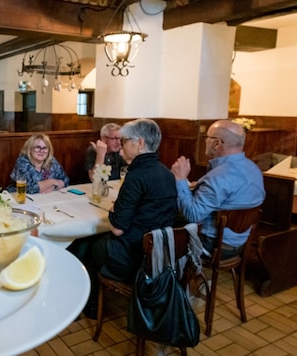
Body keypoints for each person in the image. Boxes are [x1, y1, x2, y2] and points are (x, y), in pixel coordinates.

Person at [69, 118, 177, 318]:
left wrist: (114, 209)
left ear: (141, 143)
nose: (121, 146)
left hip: (135, 256)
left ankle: (86, 304)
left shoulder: (136, 174)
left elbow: (118, 228)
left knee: (83, 247)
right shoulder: (166, 173)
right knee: (91, 242)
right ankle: (88, 301)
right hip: (160, 253)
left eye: (125, 141)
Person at [171, 119, 265, 259]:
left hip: (214, 245)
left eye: (206, 138)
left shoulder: (218, 178)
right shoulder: (253, 169)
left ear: (216, 143)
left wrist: (180, 179)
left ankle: (168, 277)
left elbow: (193, 215)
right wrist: (200, 186)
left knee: (162, 228)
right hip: (241, 243)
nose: (205, 142)